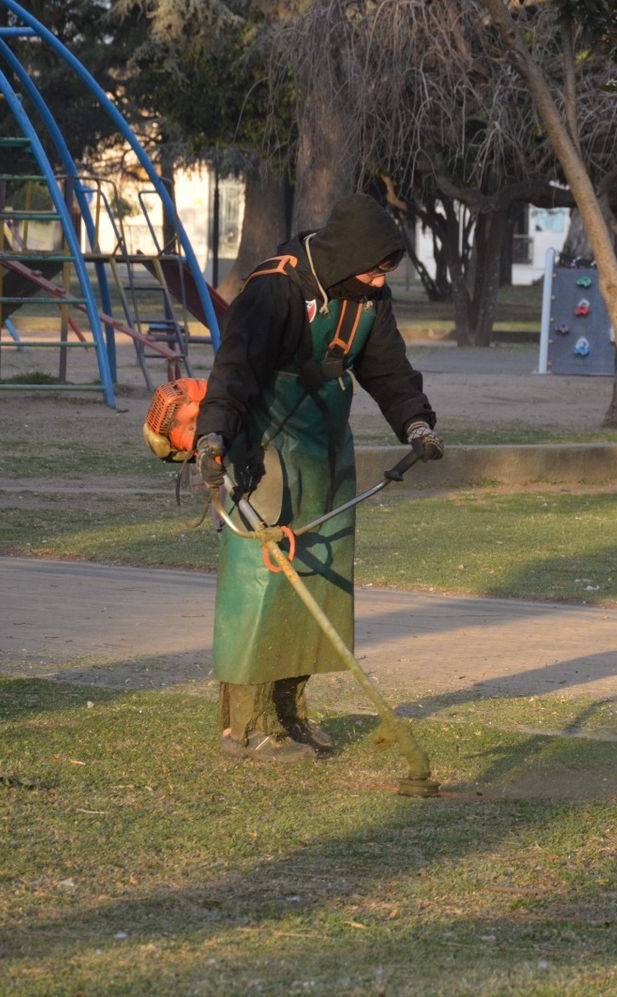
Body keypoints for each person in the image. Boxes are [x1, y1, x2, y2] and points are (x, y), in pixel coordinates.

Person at [194, 193, 444, 763]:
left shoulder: (368, 298)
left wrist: (416, 423)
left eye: (386, 273)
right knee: (263, 583)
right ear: (348, 254)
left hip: (327, 447)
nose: (381, 284)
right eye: (375, 270)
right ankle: (245, 728)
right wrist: (214, 436)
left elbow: (389, 369)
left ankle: (289, 714)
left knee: (318, 585)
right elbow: (232, 370)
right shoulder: (273, 288)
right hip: (263, 449)